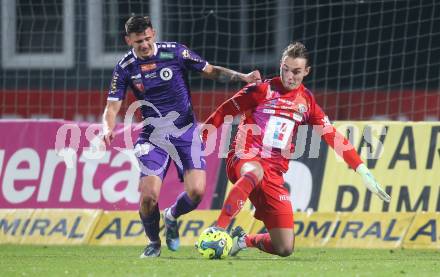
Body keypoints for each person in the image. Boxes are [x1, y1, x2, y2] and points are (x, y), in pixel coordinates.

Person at [202, 42, 390, 257]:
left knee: (284, 247)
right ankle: (218, 229)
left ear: (306, 72)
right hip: (244, 156)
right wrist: (202, 137)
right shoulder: (261, 90)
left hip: (273, 172)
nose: (289, 76)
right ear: (281, 65)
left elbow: (332, 135)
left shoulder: (306, 102)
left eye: (296, 72)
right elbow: (223, 111)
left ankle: (243, 240)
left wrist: (361, 169)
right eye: (286, 69)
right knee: (254, 171)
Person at [101, 15, 261, 258]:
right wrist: (107, 128)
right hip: (153, 136)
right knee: (148, 197)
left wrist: (243, 78)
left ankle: (171, 216)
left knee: (197, 192)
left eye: (146, 39)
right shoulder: (124, 67)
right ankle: (153, 243)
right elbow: (112, 107)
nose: (143, 45)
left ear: (153, 33)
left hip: (186, 132)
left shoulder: (175, 52)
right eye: (137, 42)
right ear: (128, 40)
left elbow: (211, 71)